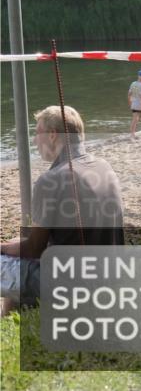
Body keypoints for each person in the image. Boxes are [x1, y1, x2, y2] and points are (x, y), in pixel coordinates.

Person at [0, 106, 124, 316]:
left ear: (52, 134)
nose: (34, 141)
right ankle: (9, 320)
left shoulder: (50, 180)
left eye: (36, 133)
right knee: (17, 245)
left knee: (14, 254)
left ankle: (9, 322)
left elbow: (33, 249)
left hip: (73, 286)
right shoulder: (103, 167)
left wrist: (2, 247)